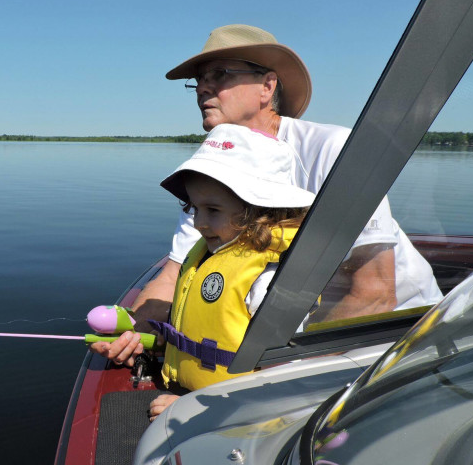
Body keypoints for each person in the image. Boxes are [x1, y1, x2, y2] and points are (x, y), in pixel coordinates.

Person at [92, 24, 442, 371]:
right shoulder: (212, 173)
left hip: (394, 333)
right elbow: (172, 277)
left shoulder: (333, 150)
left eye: (219, 74)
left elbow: (376, 293)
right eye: (197, 81)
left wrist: (265, 383)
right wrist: (133, 332)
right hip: (295, 336)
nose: (202, 88)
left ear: (267, 86)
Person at [144, 124, 315, 420]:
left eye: (213, 210)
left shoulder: (271, 277)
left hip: (236, 412)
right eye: (194, 208)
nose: (198, 223)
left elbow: (281, 374)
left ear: (260, 210)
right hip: (198, 395)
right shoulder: (212, 253)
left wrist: (200, 409)